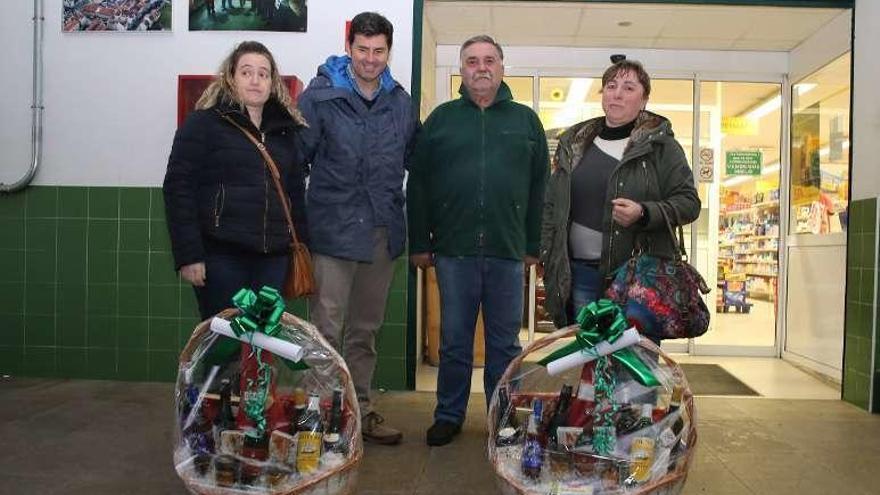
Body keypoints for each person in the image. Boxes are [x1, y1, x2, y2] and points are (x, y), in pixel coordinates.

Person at [408, 35, 549, 447]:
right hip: (454, 251)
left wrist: (532, 245)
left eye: (489, 60)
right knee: (455, 341)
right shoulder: (441, 120)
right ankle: (448, 415)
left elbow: (540, 188)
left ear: (502, 67)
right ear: (462, 70)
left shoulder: (526, 122)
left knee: (505, 345)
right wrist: (420, 242)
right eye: (472, 61)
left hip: (508, 252)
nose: (481, 67)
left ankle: (501, 417)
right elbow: (418, 185)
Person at [295, 11, 418, 445]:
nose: (370, 59)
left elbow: (412, 161)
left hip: (381, 234)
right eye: (362, 49)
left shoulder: (400, 102)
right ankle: (320, 414)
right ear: (349, 47)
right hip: (333, 232)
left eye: (378, 51)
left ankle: (359, 411)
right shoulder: (320, 97)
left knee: (365, 330)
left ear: (388, 51)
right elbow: (296, 160)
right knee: (326, 329)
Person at [540, 57, 700, 337]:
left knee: (634, 361)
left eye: (628, 88)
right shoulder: (574, 145)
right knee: (590, 358)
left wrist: (644, 212)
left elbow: (689, 202)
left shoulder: (662, 148)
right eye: (611, 86)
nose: (617, 93)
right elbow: (552, 206)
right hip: (581, 274)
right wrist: (546, 254)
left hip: (637, 278)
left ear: (644, 99)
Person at [163, 41, 308, 320]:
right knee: (226, 343)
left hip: (273, 261)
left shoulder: (286, 133)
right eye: (246, 72)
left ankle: (254, 365)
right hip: (221, 259)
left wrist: (301, 249)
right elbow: (178, 189)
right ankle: (220, 367)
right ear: (230, 77)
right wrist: (189, 255)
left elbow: (295, 197)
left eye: (263, 74)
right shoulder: (203, 124)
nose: (255, 80)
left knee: (262, 339)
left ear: (272, 82)